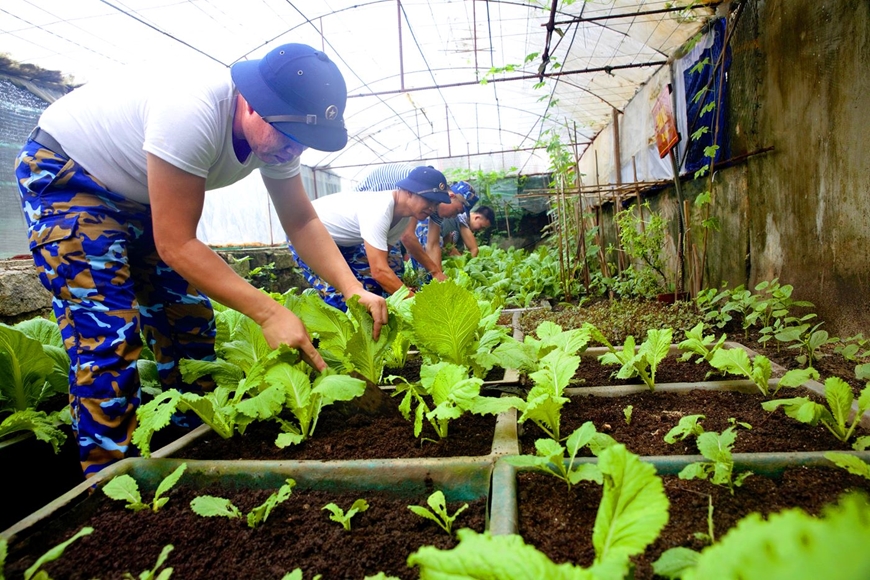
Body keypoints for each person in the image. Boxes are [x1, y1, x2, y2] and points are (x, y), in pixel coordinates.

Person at [13, 43, 388, 478]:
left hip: (140, 196)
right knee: (108, 335)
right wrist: (270, 313)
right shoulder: (192, 109)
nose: (293, 153)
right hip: (69, 178)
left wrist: (353, 287)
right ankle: (108, 487)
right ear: (251, 103)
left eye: (304, 144)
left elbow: (301, 220)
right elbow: (175, 244)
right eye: (288, 137)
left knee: (188, 324)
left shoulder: (279, 139)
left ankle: (190, 453)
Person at [289, 166, 451, 310]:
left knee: (370, 291)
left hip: (344, 243)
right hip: (308, 232)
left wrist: (402, 292)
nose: (432, 208)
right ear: (409, 191)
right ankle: (316, 323)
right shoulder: (380, 208)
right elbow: (379, 272)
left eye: (436, 204)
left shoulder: (403, 218)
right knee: (343, 299)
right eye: (429, 200)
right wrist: (415, 302)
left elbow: (382, 264)